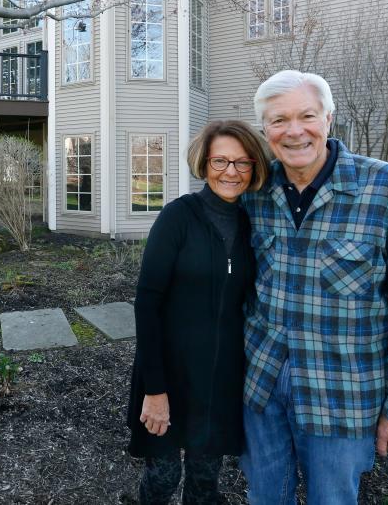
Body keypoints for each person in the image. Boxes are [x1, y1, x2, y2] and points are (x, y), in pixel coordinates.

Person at [239, 70, 388, 505]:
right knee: (263, 499)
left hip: (343, 394)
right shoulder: (253, 191)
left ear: (329, 118)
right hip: (262, 386)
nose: (294, 131)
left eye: (307, 115)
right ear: (265, 130)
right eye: (278, 120)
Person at [128, 120, 269, 504]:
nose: (231, 172)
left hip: (221, 378)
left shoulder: (252, 223)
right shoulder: (178, 217)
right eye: (220, 161)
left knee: (205, 485)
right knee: (163, 478)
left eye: (242, 163)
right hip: (168, 373)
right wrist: (155, 391)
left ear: (254, 168)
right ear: (204, 164)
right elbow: (147, 302)